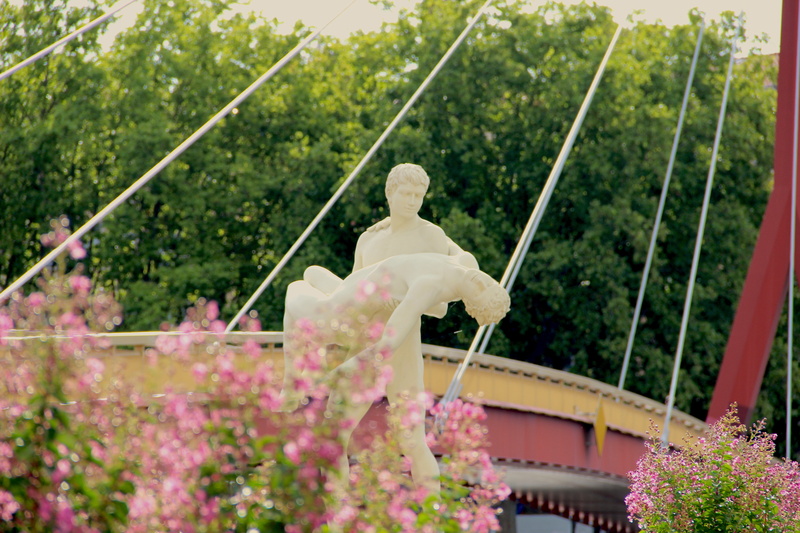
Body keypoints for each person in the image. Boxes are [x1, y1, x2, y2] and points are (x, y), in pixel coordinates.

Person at [282, 253, 510, 492]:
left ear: (468, 303)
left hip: (356, 303)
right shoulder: (464, 267)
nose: (481, 281)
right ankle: (297, 294)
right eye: (490, 283)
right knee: (308, 303)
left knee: (312, 292)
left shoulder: (435, 282)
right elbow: (433, 312)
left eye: (480, 290)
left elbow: (388, 343)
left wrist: (342, 370)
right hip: (352, 303)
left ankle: (312, 280)